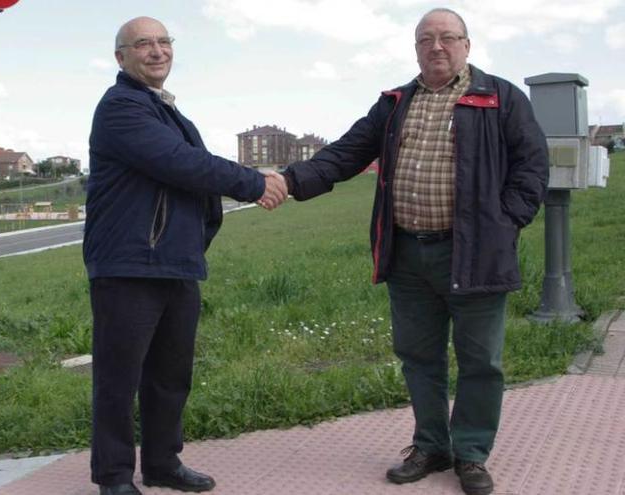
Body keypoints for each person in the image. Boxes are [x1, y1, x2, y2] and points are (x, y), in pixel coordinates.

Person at [279, 8, 548, 495]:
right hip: (407, 254)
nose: (437, 47)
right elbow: (346, 152)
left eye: (448, 38)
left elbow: (532, 168)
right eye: (427, 39)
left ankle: (470, 453)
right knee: (418, 357)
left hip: (475, 254)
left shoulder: (500, 97)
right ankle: (430, 445)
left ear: (467, 44)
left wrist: (505, 222)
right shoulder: (396, 102)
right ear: (416, 48)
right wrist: (290, 181)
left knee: (480, 361)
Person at [84, 16, 287, 495]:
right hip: (129, 264)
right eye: (143, 44)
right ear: (121, 57)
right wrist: (256, 182)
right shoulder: (121, 107)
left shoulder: (168, 111)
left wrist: (198, 239)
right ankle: (113, 477)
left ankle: (162, 464)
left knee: (171, 376)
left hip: (175, 263)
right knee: (119, 379)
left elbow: (190, 178)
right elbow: (182, 164)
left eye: (163, 42)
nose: (156, 51)